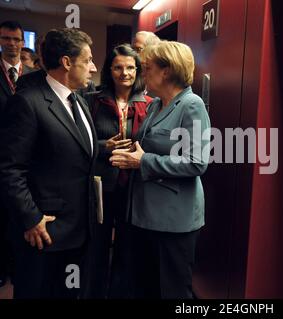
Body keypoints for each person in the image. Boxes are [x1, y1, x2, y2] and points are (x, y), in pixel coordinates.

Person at [0, 28, 98, 299]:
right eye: (88, 60)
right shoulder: (28, 103)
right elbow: (10, 169)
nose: (93, 67)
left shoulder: (79, 101)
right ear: (67, 62)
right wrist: (31, 218)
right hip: (44, 232)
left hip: (80, 229)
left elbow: (74, 153)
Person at [110, 41, 210, 299]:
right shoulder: (155, 104)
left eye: (148, 68)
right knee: (147, 287)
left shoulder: (192, 105)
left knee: (173, 291)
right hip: (144, 216)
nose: (143, 73)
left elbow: (196, 162)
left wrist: (142, 162)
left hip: (174, 221)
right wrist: (130, 154)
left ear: (167, 71)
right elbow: (149, 147)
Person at [83, 44, 151, 298]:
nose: (125, 73)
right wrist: (103, 146)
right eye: (118, 67)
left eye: (130, 67)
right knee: (96, 249)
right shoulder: (92, 101)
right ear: (109, 70)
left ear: (138, 70)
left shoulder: (150, 104)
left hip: (134, 187)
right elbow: (79, 141)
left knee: (128, 250)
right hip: (100, 187)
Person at [0, 20, 36, 288]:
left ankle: (17, 266)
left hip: (26, 157)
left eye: (16, 39)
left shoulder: (32, 76)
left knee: (19, 213)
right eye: (6, 39)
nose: (12, 44)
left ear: (23, 42)